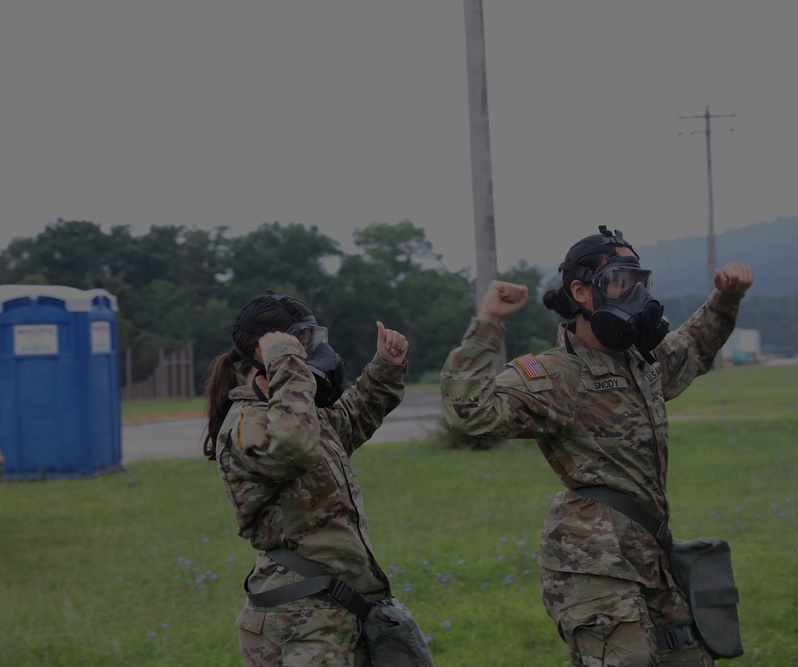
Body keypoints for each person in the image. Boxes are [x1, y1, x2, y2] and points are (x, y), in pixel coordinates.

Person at [440, 225, 753, 666]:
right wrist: (489, 323)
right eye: (618, 282)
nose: (633, 294)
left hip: (649, 551)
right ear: (582, 292)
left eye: (637, 282)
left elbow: (695, 348)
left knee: (688, 656)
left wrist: (726, 297)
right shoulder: (554, 373)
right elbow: (469, 409)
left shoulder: (642, 362)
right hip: (590, 561)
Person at [202, 290, 430, 666]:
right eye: (299, 344)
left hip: (336, 608)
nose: (310, 355)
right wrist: (288, 367)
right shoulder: (249, 424)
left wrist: (385, 368)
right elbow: (294, 447)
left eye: (310, 342)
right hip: (297, 617)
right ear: (265, 354)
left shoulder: (301, 417)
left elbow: (349, 420)